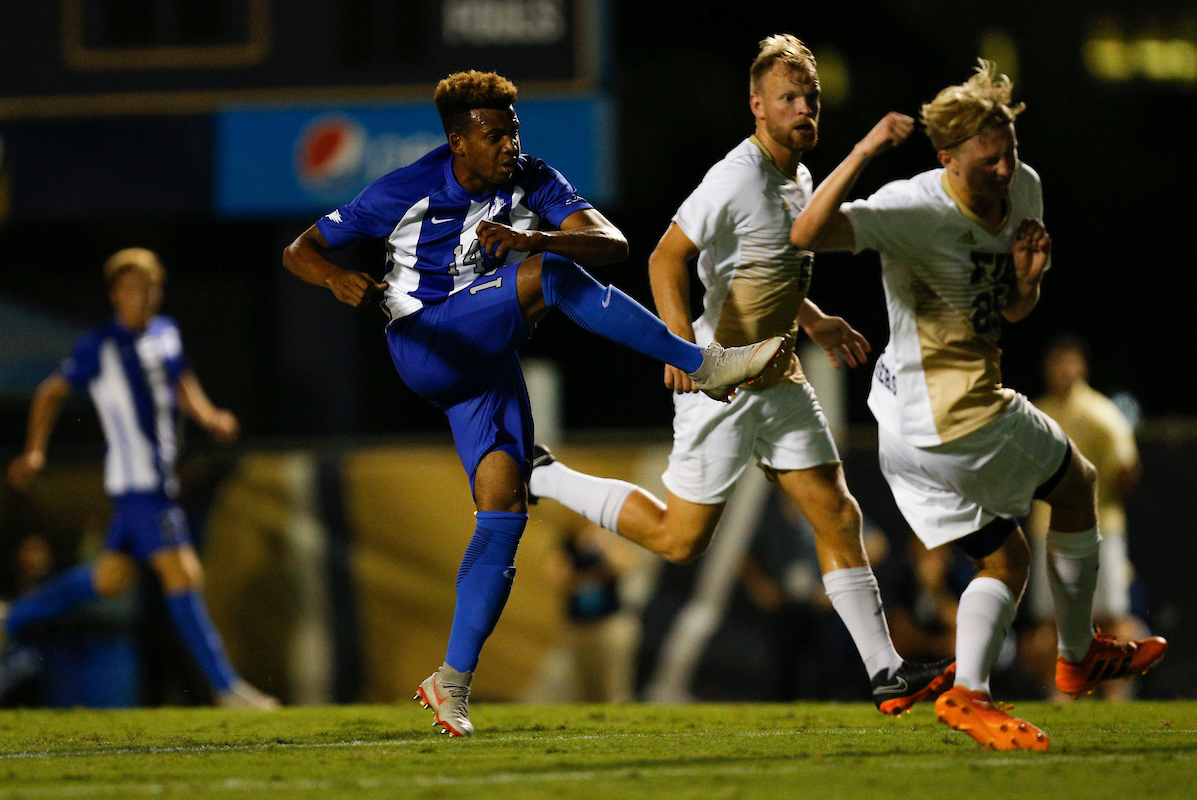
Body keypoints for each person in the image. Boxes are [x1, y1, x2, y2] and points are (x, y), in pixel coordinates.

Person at [282, 70, 783, 736]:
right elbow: (301, 250)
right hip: (426, 343)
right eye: (494, 135)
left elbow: (613, 244)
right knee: (548, 279)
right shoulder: (405, 188)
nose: (509, 144)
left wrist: (537, 237)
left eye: (513, 130)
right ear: (459, 142)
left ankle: (450, 682)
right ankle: (703, 365)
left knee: (504, 509)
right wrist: (335, 276)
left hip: (484, 362)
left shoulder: (534, 177)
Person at [528, 35, 954, 715]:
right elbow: (665, 258)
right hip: (722, 380)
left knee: (837, 512)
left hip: (779, 375)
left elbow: (765, 271)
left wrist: (815, 321)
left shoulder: (799, 178)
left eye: (810, 98)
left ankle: (885, 671)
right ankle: (544, 475)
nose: (803, 109)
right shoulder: (737, 176)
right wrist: (679, 351)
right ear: (757, 105)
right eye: (788, 98)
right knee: (678, 539)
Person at [788, 60, 1167, 750]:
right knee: (1077, 484)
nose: (1004, 169)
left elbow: (1010, 310)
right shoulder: (912, 207)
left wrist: (1028, 282)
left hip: (906, 424)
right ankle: (1078, 655)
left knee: (1006, 560)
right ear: (947, 159)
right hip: (954, 414)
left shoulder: (1024, 188)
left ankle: (970, 695)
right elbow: (806, 234)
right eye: (989, 160)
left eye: (1009, 152)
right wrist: (866, 148)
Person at [0, 248, 277, 709]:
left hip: (156, 481)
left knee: (109, 579)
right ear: (115, 295)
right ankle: (226, 687)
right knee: (183, 574)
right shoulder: (100, 345)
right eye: (131, 288)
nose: (141, 296)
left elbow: (180, 378)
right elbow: (50, 393)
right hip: (139, 485)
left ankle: (13, 617)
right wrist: (34, 450)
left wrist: (208, 415)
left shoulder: (166, 333)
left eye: (148, 287)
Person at [1024, 334, 1149, 699]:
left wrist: (1124, 471)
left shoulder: (1102, 413)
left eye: (1070, 361)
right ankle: (1061, 694)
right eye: (1056, 363)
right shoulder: (1035, 415)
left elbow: (1126, 471)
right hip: (1049, 530)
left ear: (1082, 367)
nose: (1063, 370)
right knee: (1052, 623)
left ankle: (1115, 696)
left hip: (1099, 530)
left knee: (1110, 618)